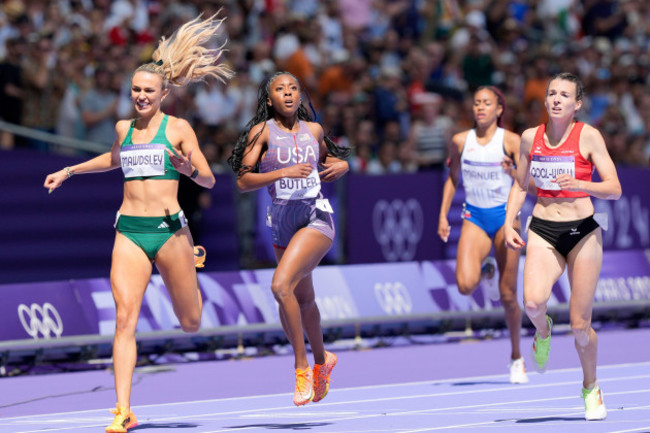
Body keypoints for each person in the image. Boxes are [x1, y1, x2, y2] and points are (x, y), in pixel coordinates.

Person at [44, 14, 233, 432]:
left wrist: (187, 168)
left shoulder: (178, 129)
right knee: (125, 317)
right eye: (136, 90)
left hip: (170, 232)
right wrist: (70, 171)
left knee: (190, 322)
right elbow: (114, 159)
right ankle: (123, 409)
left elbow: (209, 178)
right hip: (129, 231)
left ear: (163, 93)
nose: (141, 96)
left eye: (148, 90)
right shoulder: (123, 127)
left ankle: (191, 262)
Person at [504, 72, 621, 421]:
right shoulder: (529, 138)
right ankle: (543, 331)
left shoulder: (589, 136)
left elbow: (614, 188)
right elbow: (521, 185)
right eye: (552, 93)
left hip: (583, 231)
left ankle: (591, 386)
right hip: (542, 228)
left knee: (580, 325)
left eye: (564, 95)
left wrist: (582, 182)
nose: (556, 99)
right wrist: (509, 221)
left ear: (577, 104)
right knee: (533, 302)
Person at [228, 72, 350, 406]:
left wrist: (343, 167)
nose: (288, 93)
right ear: (270, 100)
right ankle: (323, 362)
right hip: (283, 226)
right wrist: (280, 172)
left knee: (281, 286)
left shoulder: (315, 131)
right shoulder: (261, 133)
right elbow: (243, 181)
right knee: (303, 299)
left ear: (299, 96)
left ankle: (301, 368)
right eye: (280, 89)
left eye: (293, 88)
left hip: (316, 219)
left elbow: (330, 161)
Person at [438, 86, 529, 384]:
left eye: (487, 103)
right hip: (475, 216)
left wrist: (513, 171)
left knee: (507, 295)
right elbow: (453, 179)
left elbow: (528, 183)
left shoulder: (512, 141)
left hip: (506, 218)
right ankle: (486, 267)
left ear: (499, 109)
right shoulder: (460, 141)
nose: (480, 108)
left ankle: (516, 356)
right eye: (476, 103)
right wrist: (443, 215)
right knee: (465, 285)